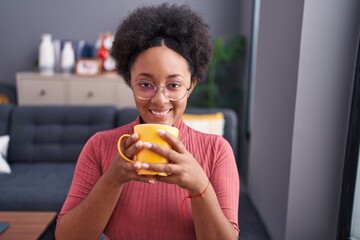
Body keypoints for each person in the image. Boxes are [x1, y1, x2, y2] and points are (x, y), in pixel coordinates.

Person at [55, 3, 239, 240]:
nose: (160, 100)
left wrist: (199, 186)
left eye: (173, 85)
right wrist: (112, 179)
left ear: (191, 85)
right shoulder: (99, 146)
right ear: (130, 82)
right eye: (145, 84)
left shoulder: (217, 151)